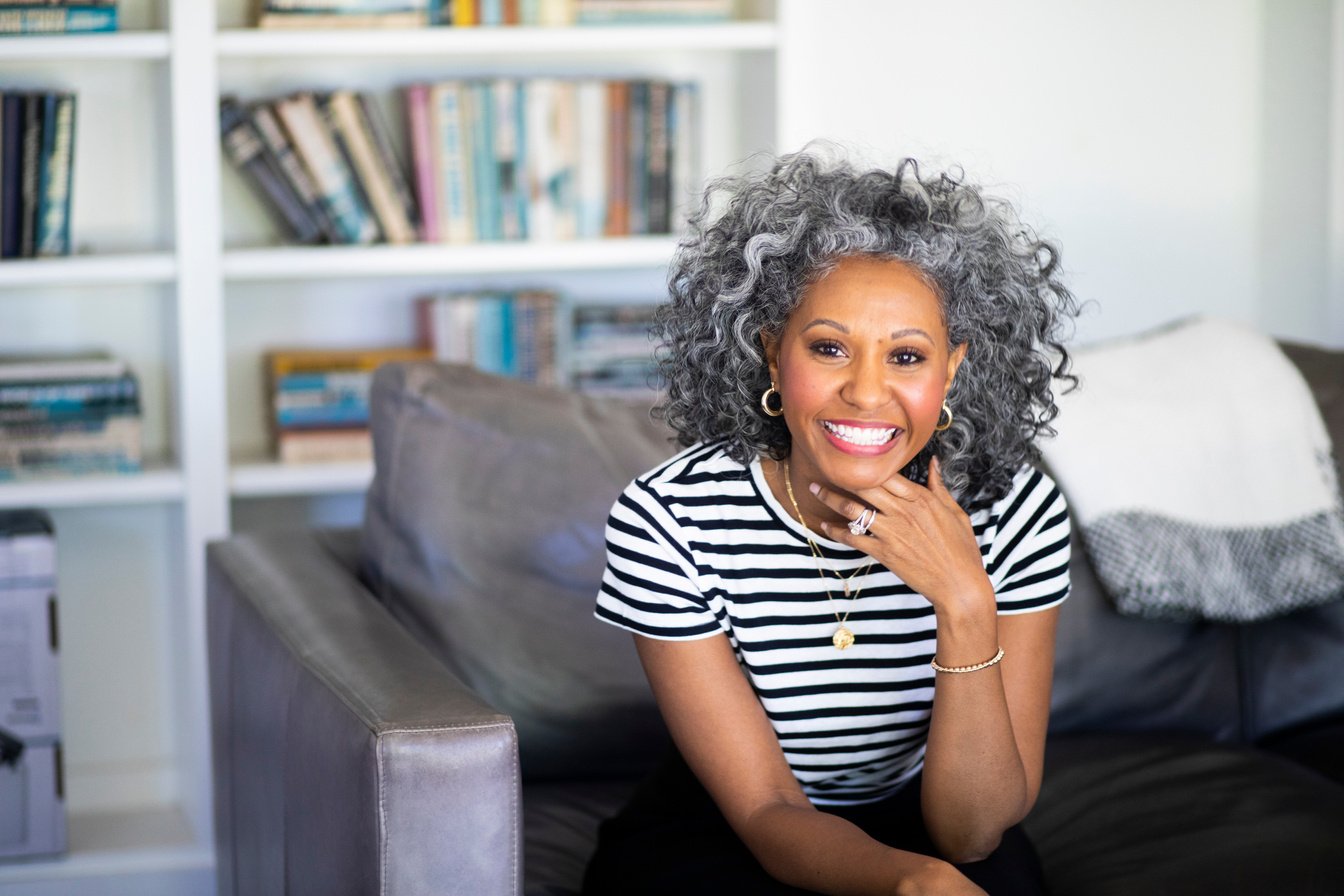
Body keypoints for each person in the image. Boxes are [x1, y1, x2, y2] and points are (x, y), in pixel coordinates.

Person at [583, 148, 1079, 896]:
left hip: (932, 811)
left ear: (952, 370)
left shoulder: (1019, 514)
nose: (866, 391)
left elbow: (971, 833)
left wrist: (964, 602)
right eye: (828, 348)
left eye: (907, 356)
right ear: (771, 354)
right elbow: (765, 807)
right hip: (727, 828)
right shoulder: (670, 518)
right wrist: (909, 883)